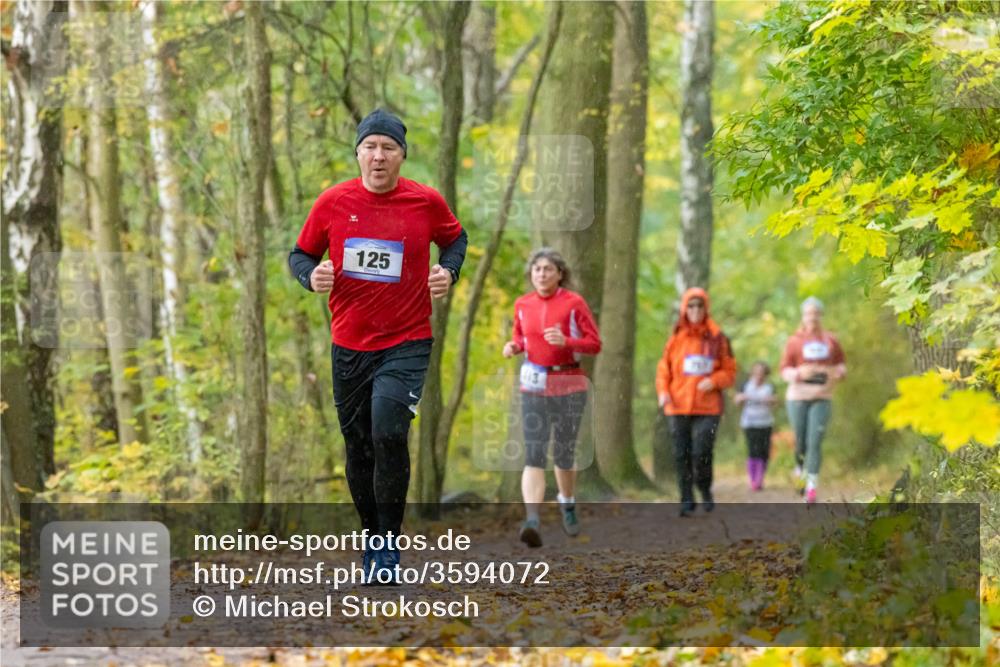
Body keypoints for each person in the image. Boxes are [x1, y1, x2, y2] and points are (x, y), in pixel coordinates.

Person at [288, 109, 468, 582]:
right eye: (370, 147)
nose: (379, 156)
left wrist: (448, 271)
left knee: (389, 432)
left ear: (402, 156)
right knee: (359, 446)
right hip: (349, 344)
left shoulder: (425, 202)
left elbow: (456, 240)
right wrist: (311, 276)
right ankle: (372, 538)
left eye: (388, 147)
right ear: (358, 154)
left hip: (407, 340)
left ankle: (388, 546)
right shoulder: (333, 202)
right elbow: (300, 254)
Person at [502, 248, 601, 548]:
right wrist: (514, 346)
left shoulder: (574, 303)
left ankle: (567, 502)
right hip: (533, 385)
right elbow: (521, 337)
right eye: (537, 269)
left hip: (568, 383)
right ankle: (532, 520)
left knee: (563, 451)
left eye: (548, 269)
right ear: (531, 274)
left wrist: (567, 341)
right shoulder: (523, 304)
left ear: (560, 273)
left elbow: (595, 344)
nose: (542, 274)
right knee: (534, 452)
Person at [655, 288, 736, 517]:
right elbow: (663, 370)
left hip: (708, 407)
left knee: (702, 452)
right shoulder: (675, 338)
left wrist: (715, 380)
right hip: (677, 405)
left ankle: (704, 487)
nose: (695, 310)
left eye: (700, 306)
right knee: (681, 454)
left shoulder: (718, 338)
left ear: (706, 308)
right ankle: (686, 499)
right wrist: (663, 392)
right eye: (691, 306)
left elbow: (730, 371)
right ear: (684, 309)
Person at [779, 296, 846, 504]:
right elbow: (784, 369)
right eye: (809, 313)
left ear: (821, 315)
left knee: (815, 441)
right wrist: (797, 374)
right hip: (798, 396)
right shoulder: (794, 341)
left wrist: (840, 372)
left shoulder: (830, 340)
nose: (813, 317)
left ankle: (811, 487)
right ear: (803, 316)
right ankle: (799, 470)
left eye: (816, 313)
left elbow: (841, 362)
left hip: (822, 395)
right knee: (801, 442)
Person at [734, 361, 777, 491]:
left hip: (766, 423)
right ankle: (754, 480)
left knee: (764, 452)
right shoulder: (745, 385)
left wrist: (771, 400)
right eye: (757, 372)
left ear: (766, 374)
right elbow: (736, 401)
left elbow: (776, 401)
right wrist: (741, 398)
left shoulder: (769, 387)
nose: (759, 375)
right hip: (749, 423)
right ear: (752, 373)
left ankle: (760, 477)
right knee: (753, 450)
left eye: (762, 373)